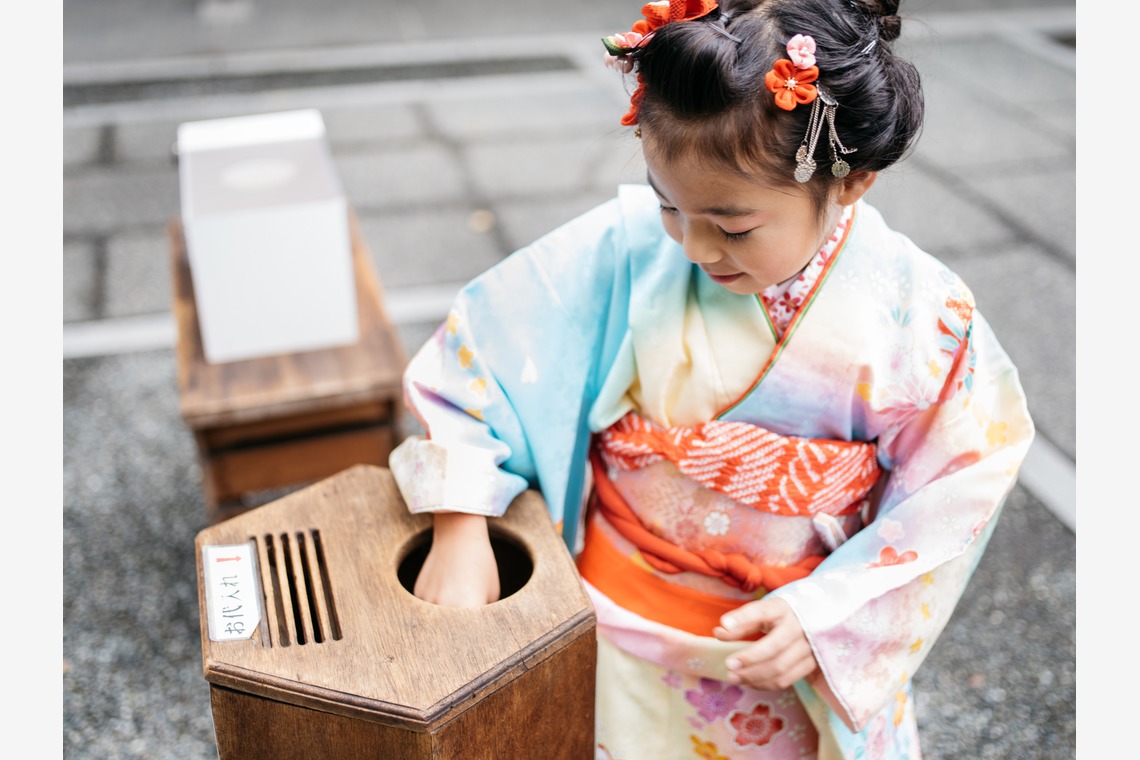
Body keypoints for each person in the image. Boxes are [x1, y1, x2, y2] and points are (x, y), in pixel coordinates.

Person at [389, 0, 1034, 756]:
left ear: (851, 180)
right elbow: (482, 360)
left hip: (786, 649)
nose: (693, 246)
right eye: (669, 206)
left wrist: (832, 614)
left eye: (732, 226)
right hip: (619, 628)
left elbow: (962, 480)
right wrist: (460, 521)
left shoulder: (922, 318)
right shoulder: (625, 251)